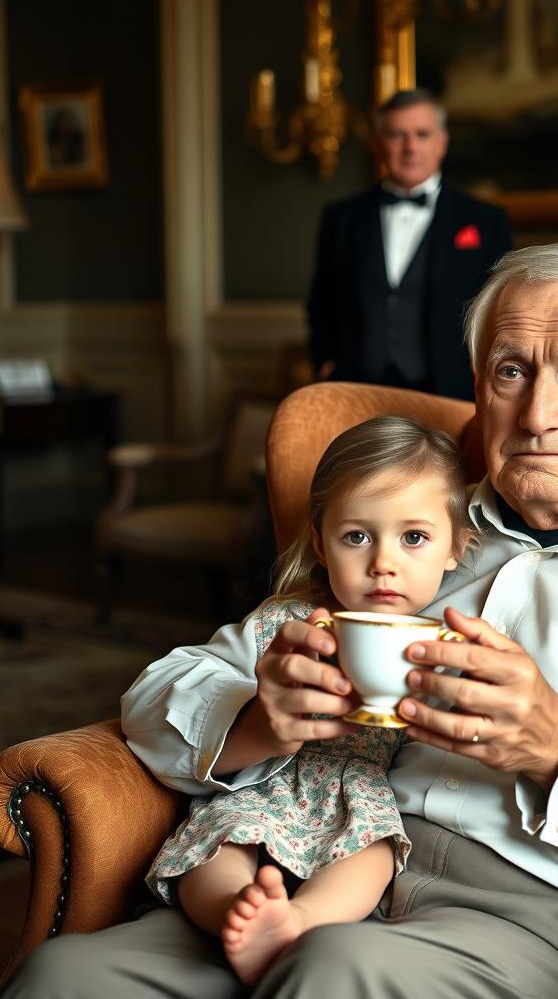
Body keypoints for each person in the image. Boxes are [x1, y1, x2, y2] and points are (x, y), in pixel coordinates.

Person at [4, 244, 558, 999]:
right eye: (510, 372)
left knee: (333, 967)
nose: (536, 414)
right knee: (63, 978)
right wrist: (257, 719)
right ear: (477, 384)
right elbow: (161, 691)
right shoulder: (399, 532)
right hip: (309, 873)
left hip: (539, 923)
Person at [142, 415, 476, 987]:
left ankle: (298, 921)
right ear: (321, 544)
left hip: (359, 797)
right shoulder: (287, 622)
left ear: (456, 547)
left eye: (413, 537)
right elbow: (161, 687)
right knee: (216, 846)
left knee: (372, 857)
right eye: (356, 536)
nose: (383, 563)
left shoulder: (450, 643)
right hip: (266, 787)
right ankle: (240, 917)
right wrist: (251, 716)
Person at [307, 88, 512, 401]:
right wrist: (324, 363)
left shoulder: (486, 219)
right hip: (355, 386)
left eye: (422, 134)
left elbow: (502, 307)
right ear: (378, 145)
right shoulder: (342, 218)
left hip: (450, 387)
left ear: (442, 142)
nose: (410, 147)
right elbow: (321, 301)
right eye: (397, 135)